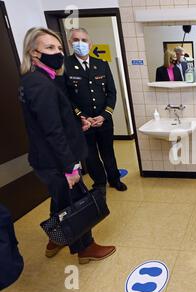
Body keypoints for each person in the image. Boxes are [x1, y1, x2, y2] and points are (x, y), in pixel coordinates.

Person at [19, 27, 116, 263]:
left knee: (61, 199)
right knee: (76, 203)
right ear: (34, 53)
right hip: (56, 161)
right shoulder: (40, 85)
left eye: (59, 47)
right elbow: (52, 131)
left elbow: (53, 120)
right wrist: (70, 167)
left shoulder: (40, 80)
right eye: (49, 48)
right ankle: (85, 248)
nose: (58, 52)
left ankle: (56, 238)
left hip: (50, 159)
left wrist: (77, 123)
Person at [64, 28, 127, 196]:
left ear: (90, 44)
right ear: (71, 43)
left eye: (84, 40)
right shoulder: (65, 66)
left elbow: (111, 92)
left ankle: (114, 179)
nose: (80, 43)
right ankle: (99, 183)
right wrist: (81, 116)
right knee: (90, 156)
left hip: (103, 120)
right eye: (76, 40)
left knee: (108, 153)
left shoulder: (101, 64)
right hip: (83, 123)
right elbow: (65, 96)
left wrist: (105, 115)